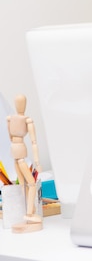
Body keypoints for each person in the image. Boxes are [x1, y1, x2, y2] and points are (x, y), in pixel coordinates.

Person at [7, 94, 42, 233]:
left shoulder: (10, 119)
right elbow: (34, 142)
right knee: (31, 183)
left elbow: (10, 137)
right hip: (20, 150)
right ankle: (29, 213)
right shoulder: (27, 120)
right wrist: (37, 162)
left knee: (22, 184)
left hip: (13, 151)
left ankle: (29, 212)